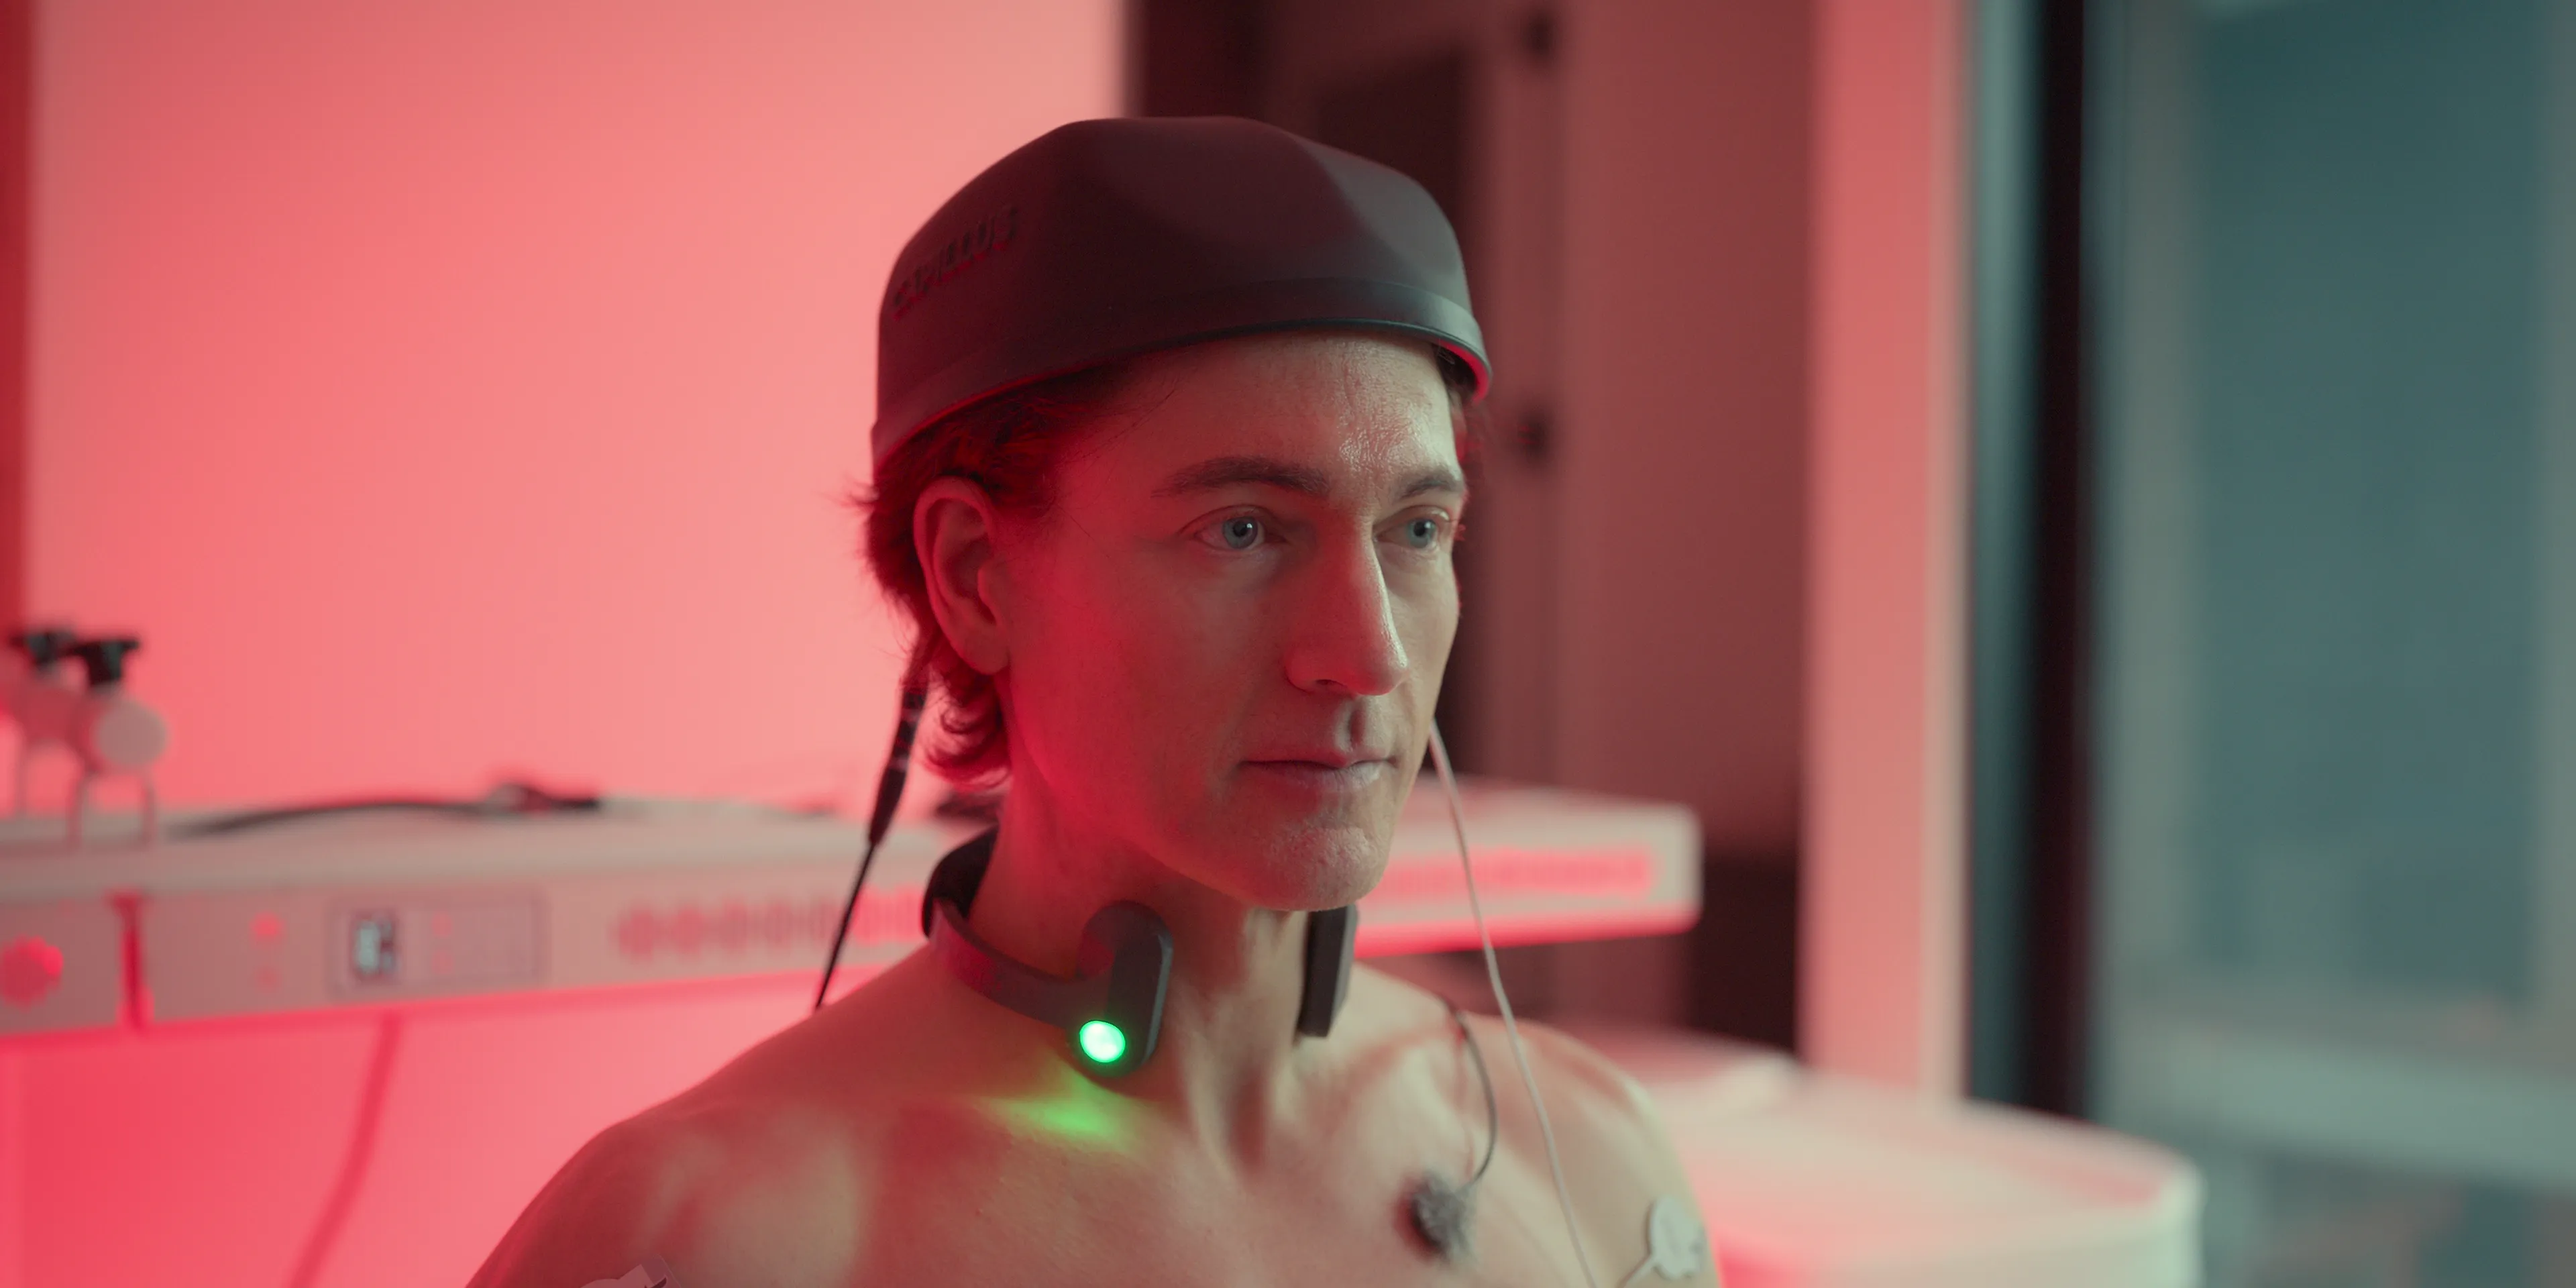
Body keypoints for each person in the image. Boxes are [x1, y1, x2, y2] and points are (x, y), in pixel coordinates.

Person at [470, 116, 1713, 1288]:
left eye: (1418, 529)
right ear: (975, 576)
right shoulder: (714, 1236)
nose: (1369, 655)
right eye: (1243, 529)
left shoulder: (1593, 1169)